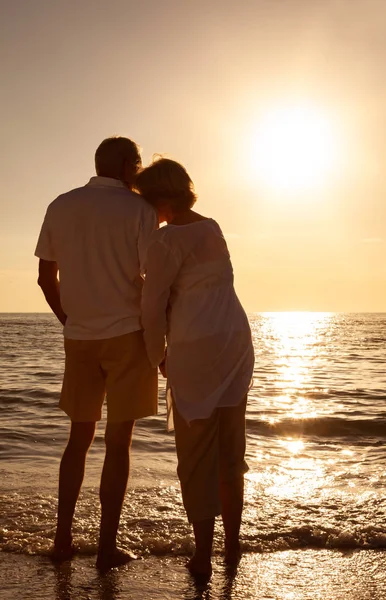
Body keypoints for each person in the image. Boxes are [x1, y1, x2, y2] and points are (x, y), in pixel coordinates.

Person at [35, 137, 158, 570]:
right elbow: (154, 279)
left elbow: (45, 276)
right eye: (138, 165)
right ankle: (106, 548)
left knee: (77, 441)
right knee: (118, 444)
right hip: (127, 334)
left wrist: (68, 320)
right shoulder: (140, 210)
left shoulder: (61, 204)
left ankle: (62, 539)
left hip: (80, 337)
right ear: (127, 165)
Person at [136, 158, 254, 578]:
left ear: (160, 198)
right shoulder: (213, 228)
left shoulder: (164, 242)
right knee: (230, 453)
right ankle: (234, 545)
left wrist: (157, 355)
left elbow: (153, 306)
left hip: (194, 348)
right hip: (235, 342)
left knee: (196, 456)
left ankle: (203, 554)